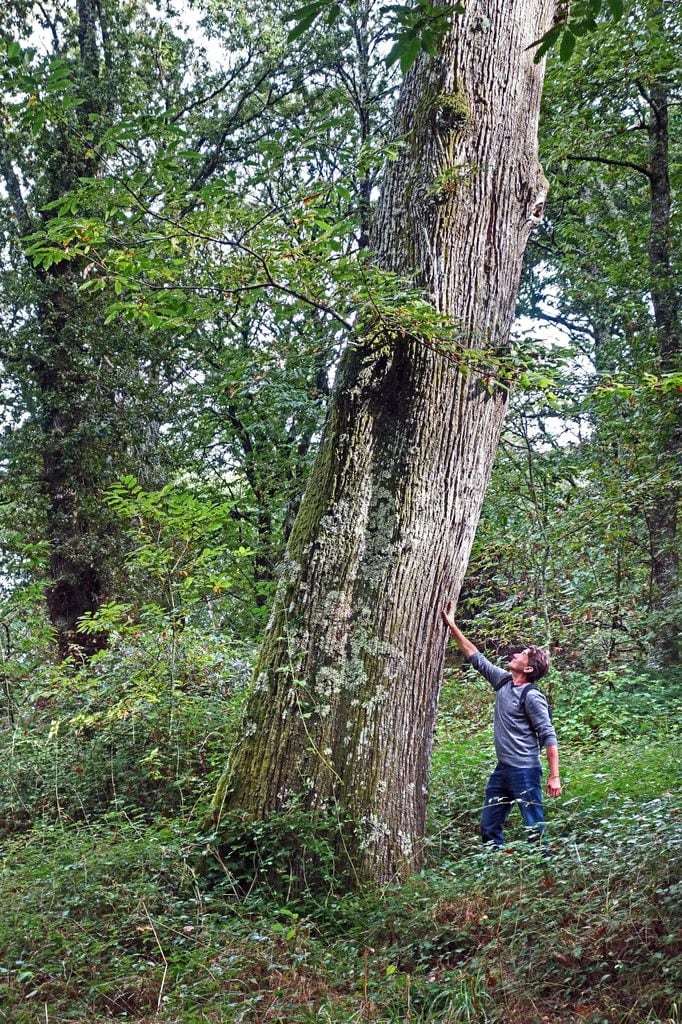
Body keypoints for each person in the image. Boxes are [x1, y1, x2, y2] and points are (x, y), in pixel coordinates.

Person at [442, 601, 562, 847]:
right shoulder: (504, 681)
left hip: (525, 772)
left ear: (528, 668)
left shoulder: (532, 696)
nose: (516, 654)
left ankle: (545, 873)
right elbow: (476, 657)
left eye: (522, 655)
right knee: (489, 826)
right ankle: (495, 868)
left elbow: (548, 735)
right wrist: (452, 626)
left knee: (534, 827)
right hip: (503, 770)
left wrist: (554, 776)